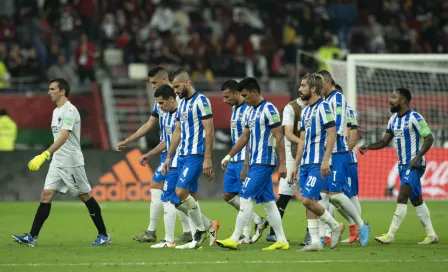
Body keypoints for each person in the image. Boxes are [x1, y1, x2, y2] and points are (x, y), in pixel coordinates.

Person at [12, 78, 110, 247]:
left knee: (85, 196)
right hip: (58, 160)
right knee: (46, 195)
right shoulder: (56, 111)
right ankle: (32, 237)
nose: (49, 92)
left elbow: (64, 137)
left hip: (71, 161)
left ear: (62, 91)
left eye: (52, 89)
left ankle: (103, 235)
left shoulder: (70, 111)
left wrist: (44, 155)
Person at [117, 66, 191, 244]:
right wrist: (129, 140)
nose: (152, 86)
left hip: (179, 154)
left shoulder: (178, 102)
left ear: (164, 80)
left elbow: (178, 133)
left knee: (180, 195)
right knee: (168, 192)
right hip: (166, 151)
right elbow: (150, 124)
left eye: (154, 83)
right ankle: (188, 230)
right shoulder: (160, 102)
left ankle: (196, 228)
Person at [217, 77, 289, 251]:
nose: (244, 98)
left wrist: (283, 164)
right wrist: (229, 155)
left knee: (246, 197)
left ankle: (235, 238)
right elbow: (245, 138)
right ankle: (281, 240)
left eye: (245, 95)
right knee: (269, 202)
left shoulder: (269, 109)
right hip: (255, 161)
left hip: (265, 161)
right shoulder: (249, 111)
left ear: (255, 93)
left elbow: (279, 136)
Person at [360, 88, 438, 245]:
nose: (390, 100)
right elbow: (384, 142)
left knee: (402, 196)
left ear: (403, 101)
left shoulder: (415, 117)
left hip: (414, 165)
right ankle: (431, 235)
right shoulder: (393, 120)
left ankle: (390, 235)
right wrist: (368, 146)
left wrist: (417, 157)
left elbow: (429, 138)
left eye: (394, 97)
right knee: (416, 200)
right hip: (402, 166)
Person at [162, 69, 220, 249]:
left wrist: (207, 159)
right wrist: (169, 157)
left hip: (196, 155)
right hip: (182, 155)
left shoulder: (202, 101)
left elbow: (209, 131)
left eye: (177, 87)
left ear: (187, 82)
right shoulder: (181, 103)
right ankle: (209, 226)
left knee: (180, 192)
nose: (176, 91)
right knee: (182, 197)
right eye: (173, 88)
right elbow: (177, 131)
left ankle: (200, 230)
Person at [316, 70, 370, 247]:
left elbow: (338, 126)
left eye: (320, 82)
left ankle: (360, 225)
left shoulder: (337, 98)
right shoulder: (323, 102)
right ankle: (325, 235)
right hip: (326, 153)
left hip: (338, 152)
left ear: (328, 82)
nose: (317, 86)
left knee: (338, 195)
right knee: (323, 196)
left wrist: (330, 143)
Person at [292, 73, 341, 251]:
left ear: (313, 89)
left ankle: (334, 226)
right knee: (309, 200)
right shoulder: (305, 111)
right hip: (305, 163)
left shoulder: (324, 107)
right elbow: (302, 140)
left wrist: (326, 159)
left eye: (303, 85)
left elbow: (332, 133)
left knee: (306, 200)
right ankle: (314, 242)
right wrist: (296, 165)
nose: (300, 89)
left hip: (318, 162)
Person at [220, 79, 268, 244]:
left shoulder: (249, 109)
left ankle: (245, 235)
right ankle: (258, 220)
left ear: (236, 93)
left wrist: (246, 164)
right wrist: (229, 156)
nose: (225, 101)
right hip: (234, 159)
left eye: (227, 97)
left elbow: (249, 139)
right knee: (228, 195)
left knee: (245, 197)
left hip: (245, 159)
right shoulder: (234, 108)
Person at [139, 85, 182, 248]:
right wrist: (151, 154)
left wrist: (170, 158)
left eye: (161, 103)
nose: (160, 107)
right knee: (181, 198)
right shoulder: (169, 114)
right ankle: (204, 227)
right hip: (172, 160)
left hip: (180, 160)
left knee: (169, 198)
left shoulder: (181, 113)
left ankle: (169, 240)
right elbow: (168, 141)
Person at [266, 93, 307, 243]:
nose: (301, 89)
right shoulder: (291, 108)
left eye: (304, 85)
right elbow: (288, 134)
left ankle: (320, 232)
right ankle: (273, 232)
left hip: (311, 156)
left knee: (313, 196)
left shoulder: (318, 106)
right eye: (301, 85)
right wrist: (303, 143)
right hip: (292, 154)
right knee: (284, 194)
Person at [334, 83, 362, 244]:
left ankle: (357, 230)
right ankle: (354, 228)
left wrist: (343, 156)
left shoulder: (348, 111)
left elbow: (353, 136)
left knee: (349, 195)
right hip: (336, 157)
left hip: (347, 159)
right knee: (335, 196)